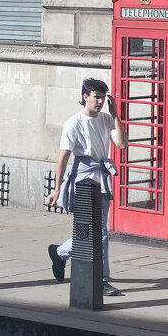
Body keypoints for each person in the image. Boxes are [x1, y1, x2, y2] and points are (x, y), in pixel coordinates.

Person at [44, 78, 127, 297]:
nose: (100, 101)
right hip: (83, 178)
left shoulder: (107, 119)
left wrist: (116, 115)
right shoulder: (74, 123)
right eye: (96, 97)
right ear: (85, 97)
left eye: (103, 97)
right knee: (100, 234)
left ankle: (60, 252)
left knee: (96, 231)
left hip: (101, 176)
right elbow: (63, 157)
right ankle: (102, 280)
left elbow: (121, 143)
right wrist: (56, 189)